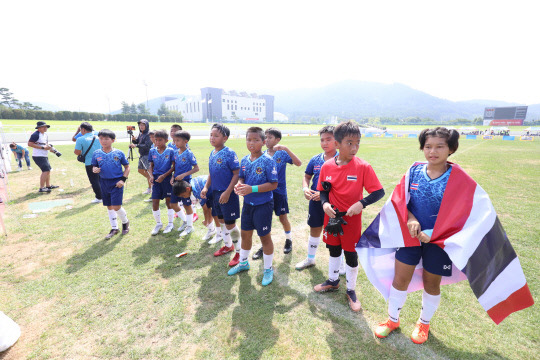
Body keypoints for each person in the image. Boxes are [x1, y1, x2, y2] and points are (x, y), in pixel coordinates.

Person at [314, 121, 385, 312]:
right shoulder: (327, 166)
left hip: (351, 220)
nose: (354, 148)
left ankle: (351, 290)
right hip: (331, 218)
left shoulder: (363, 166)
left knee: (351, 254)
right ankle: (333, 280)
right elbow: (323, 191)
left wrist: (361, 203)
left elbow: (379, 192)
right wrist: (325, 203)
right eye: (349, 143)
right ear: (337, 144)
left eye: (357, 143)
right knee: (333, 249)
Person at [229, 127, 278, 285]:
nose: (252, 143)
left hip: (263, 204)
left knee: (265, 237)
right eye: (249, 139)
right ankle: (243, 263)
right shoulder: (244, 160)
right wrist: (239, 185)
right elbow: (241, 178)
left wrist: (252, 189)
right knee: (246, 235)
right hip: (248, 205)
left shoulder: (268, 160)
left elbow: (273, 184)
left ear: (263, 142)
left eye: (256, 140)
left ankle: (268, 269)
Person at [252, 127, 302, 260]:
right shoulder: (261, 154)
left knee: (282, 218)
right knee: (264, 220)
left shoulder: (282, 154)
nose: (267, 140)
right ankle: (264, 246)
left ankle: (288, 239)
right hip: (265, 193)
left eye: (270, 137)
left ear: (277, 140)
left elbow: (298, 163)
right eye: (265, 137)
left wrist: (285, 148)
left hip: (279, 192)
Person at [295, 126, 339, 270]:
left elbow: (343, 186)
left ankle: (341, 265)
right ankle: (310, 258)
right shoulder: (315, 159)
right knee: (314, 229)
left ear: (337, 140)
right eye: (322, 140)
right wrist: (305, 188)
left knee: (336, 233)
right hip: (315, 203)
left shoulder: (342, 160)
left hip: (333, 204)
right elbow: (307, 176)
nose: (324, 143)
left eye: (328, 139)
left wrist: (324, 194)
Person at [201, 123, 241, 265]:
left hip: (227, 194)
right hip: (216, 193)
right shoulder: (213, 153)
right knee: (222, 221)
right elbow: (212, 173)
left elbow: (236, 174)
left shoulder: (229, 153)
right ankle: (228, 245)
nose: (212, 138)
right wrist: (206, 187)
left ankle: (239, 252)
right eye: (211, 135)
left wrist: (228, 192)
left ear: (225, 138)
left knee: (230, 224)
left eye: (216, 135)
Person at [91, 129, 130, 239]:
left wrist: (122, 180)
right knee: (109, 206)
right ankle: (114, 228)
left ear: (113, 140)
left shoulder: (118, 153)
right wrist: (94, 169)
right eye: (101, 139)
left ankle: (125, 222)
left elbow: (127, 167)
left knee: (116, 206)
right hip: (103, 182)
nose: (103, 141)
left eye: (106, 139)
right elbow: (94, 166)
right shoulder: (96, 153)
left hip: (116, 182)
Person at [170, 130, 199, 236]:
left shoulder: (189, 153)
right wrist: (173, 176)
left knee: (187, 205)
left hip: (185, 183)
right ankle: (185, 221)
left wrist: (183, 175)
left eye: (178, 140)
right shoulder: (176, 152)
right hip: (176, 182)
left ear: (185, 141)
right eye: (174, 140)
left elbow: (196, 168)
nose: (175, 142)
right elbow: (175, 168)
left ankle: (190, 227)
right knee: (173, 203)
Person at [172, 175, 219, 242]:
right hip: (211, 190)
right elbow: (207, 207)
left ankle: (220, 234)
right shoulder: (190, 184)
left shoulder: (197, 191)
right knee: (210, 208)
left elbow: (205, 208)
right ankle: (212, 230)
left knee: (215, 213)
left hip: (217, 190)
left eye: (183, 195)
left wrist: (206, 221)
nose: (184, 197)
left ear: (188, 189)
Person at [148, 130, 176, 235]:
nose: (157, 142)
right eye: (156, 140)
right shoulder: (152, 151)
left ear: (166, 140)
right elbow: (151, 166)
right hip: (156, 180)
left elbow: (174, 166)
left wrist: (164, 176)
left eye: (160, 140)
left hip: (167, 179)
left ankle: (170, 223)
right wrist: (151, 176)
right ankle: (158, 223)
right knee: (155, 202)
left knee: (169, 201)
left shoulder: (170, 151)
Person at [74, 122, 102, 204]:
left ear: (83, 129)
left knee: (94, 180)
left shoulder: (80, 139)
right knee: (101, 179)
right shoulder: (99, 137)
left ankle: (99, 197)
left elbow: (77, 152)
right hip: (100, 160)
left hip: (89, 162)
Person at [27, 121, 59, 193]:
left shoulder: (45, 135)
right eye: (43, 127)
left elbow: (46, 144)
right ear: (39, 128)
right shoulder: (36, 134)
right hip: (38, 156)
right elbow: (29, 144)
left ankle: (48, 185)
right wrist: (43, 148)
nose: (45, 128)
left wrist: (52, 150)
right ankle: (41, 188)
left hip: (44, 155)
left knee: (48, 170)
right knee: (45, 171)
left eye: (46, 127)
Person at [129, 119, 153, 195]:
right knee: (140, 170)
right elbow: (138, 143)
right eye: (140, 125)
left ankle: (150, 188)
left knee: (148, 172)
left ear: (146, 125)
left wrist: (136, 145)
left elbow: (147, 145)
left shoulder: (149, 134)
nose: (141, 126)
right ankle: (152, 180)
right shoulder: (141, 133)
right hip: (142, 155)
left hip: (147, 155)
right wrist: (134, 140)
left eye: (143, 125)